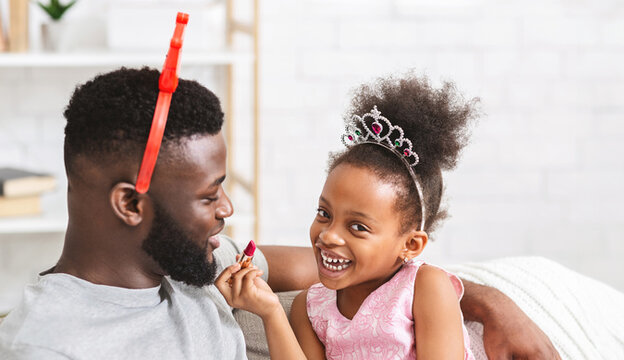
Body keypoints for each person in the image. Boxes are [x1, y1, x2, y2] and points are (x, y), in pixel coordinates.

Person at [0, 67, 558, 359]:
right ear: (130, 203)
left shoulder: (199, 260)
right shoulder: (50, 346)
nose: (228, 210)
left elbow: (366, 271)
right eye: (208, 196)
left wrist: (487, 301)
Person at [215, 73, 478, 359]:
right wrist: (271, 312)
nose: (328, 235)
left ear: (410, 245)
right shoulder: (310, 308)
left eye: (358, 226)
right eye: (324, 213)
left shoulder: (425, 287)